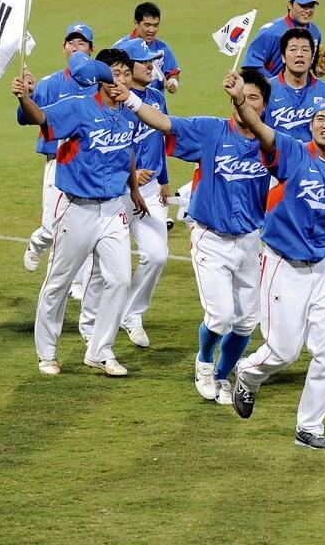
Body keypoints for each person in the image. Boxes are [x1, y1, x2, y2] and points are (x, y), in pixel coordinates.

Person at [224, 83, 325, 449]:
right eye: (320, 118)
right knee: (284, 352)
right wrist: (241, 102)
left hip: (323, 271)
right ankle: (247, 373)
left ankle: (310, 427)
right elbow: (260, 129)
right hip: (282, 265)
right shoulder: (292, 154)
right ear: (311, 126)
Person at [128, 68, 273, 404]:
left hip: (251, 241)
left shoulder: (270, 144)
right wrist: (132, 100)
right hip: (211, 239)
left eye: (254, 99)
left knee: (247, 322)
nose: (245, 104)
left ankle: (223, 375)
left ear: (264, 107)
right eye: (242, 97)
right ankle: (205, 363)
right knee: (220, 316)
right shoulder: (212, 131)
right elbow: (165, 123)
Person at [12, 49, 146, 377]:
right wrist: (25, 98)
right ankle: (47, 353)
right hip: (78, 209)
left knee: (119, 280)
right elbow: (40, 118)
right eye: (114, 73)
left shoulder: (130, 112)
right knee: (59, 282)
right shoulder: (80, 107)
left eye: (125, 73)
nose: (121, 80)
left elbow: (125, 149)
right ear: (100, 77)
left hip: (114, 209)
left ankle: (99, 351)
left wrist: (133, 188)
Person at [80, 38, 171, 350]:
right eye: (143, 62)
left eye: (151, 61)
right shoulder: (109, 103)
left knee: (157, 255)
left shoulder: (156, 97)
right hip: (118, 191)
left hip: (149, 188)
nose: (150, 66)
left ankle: (131, 314)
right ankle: (89, 324)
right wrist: (132, 177)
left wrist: (164, 180)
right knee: (100, 265)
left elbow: (162, 138)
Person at [20, 23, 96, 273]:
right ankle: (39, 240)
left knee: (85, 225)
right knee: (53, 226)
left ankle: (76, 282)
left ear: (91, 50)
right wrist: (27, 96)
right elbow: (25, 118)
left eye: (81, 43)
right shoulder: (50, 83)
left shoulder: (99, 85)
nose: (76, 48)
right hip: (59, 160)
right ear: (63, 48)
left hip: (90, 163)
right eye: (71, 43)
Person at [265, 26, 325, 141]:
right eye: (293, 49)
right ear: (283, 57)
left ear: (312, 57)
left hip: (312, 158)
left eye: (305, 50)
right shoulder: (266, 90)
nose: (299, 54)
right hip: (276, 158)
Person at [244, 0, 322, 76]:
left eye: (311, 6)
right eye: (303, 6)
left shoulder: (315, 32)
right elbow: (252, 66)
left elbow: (310, 66)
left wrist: (316, 68)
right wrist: (275, 85)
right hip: (270, 88)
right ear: (290, 5)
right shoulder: (271, 32)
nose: (307, 10)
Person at [115, 1, 181, 95]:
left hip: (155, 103)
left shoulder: (163, 48)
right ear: (136, 22)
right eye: (147, 25)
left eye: (155, 25)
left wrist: (173, 82)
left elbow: (172, 72)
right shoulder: (121, 48)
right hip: (128, 103)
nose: (151, 30)